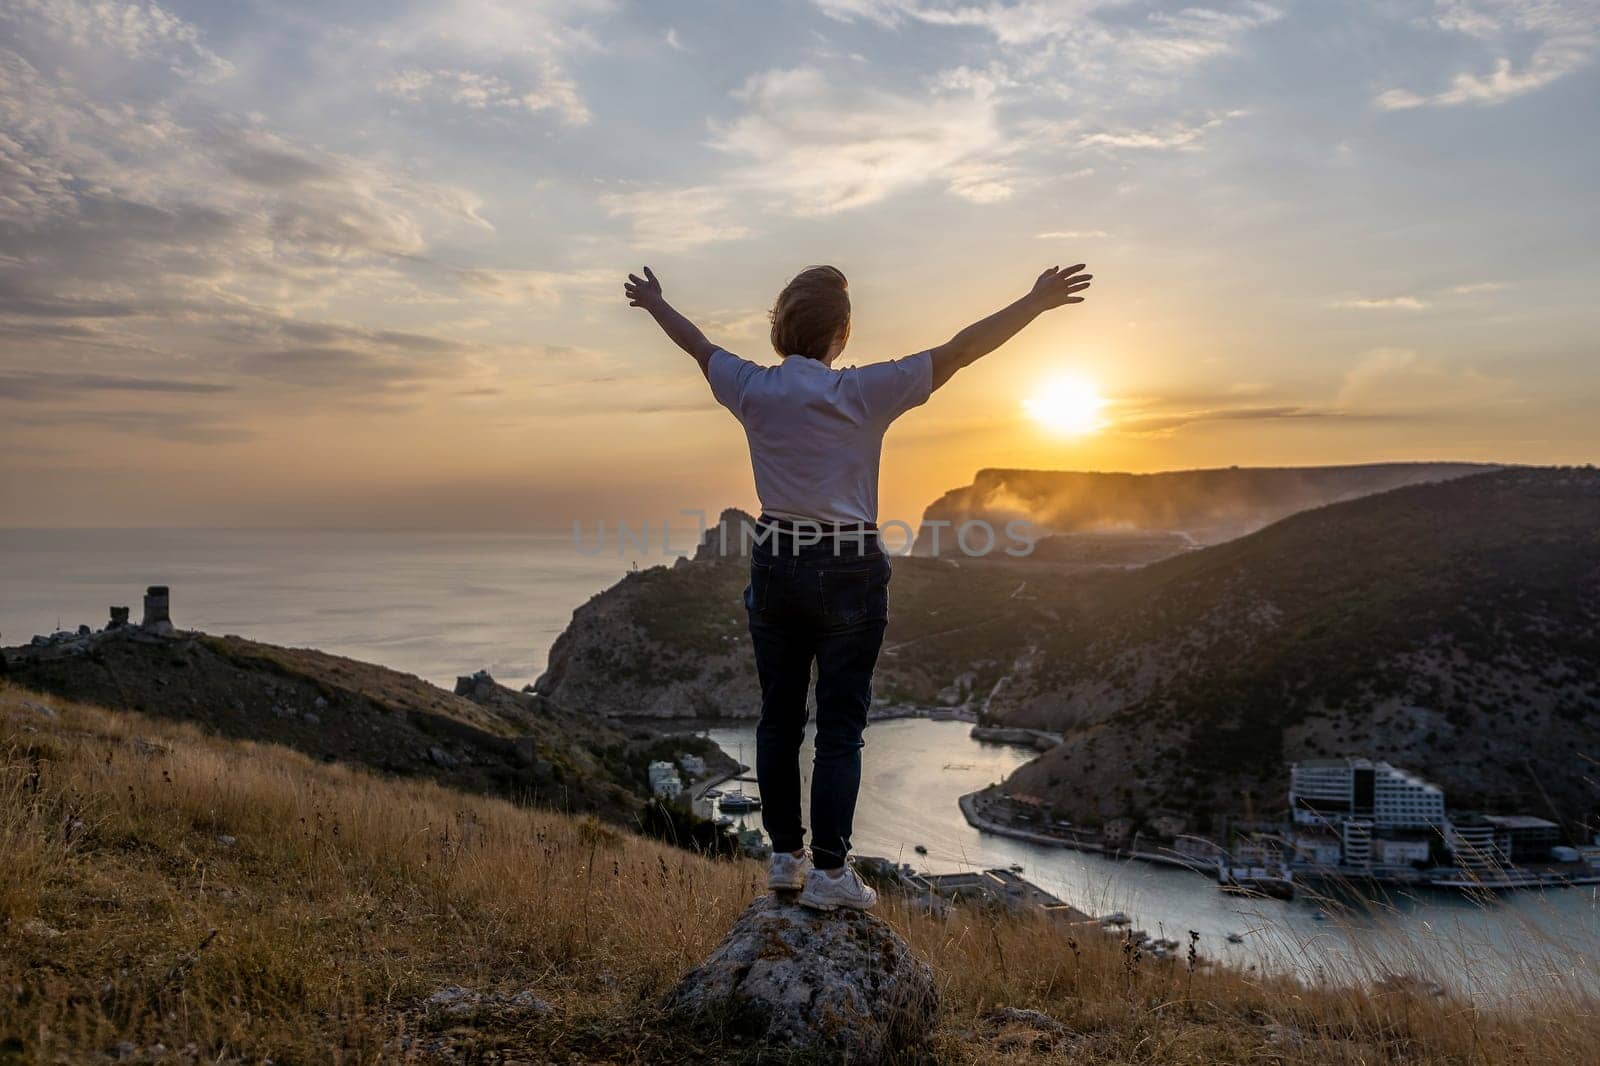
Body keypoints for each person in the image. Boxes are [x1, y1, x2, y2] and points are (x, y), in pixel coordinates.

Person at [624, 260, 1092, 910]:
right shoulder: (866, 392)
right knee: (840, 727)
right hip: (848, 565)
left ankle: (784, 861)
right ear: (840, 333)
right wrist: (1034, 302)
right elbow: (960, 350)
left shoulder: (752, 387)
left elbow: (698, 345)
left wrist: (655, 303)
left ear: (779, 331)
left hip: (776, 558)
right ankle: (830, 874)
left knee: (778, 720)